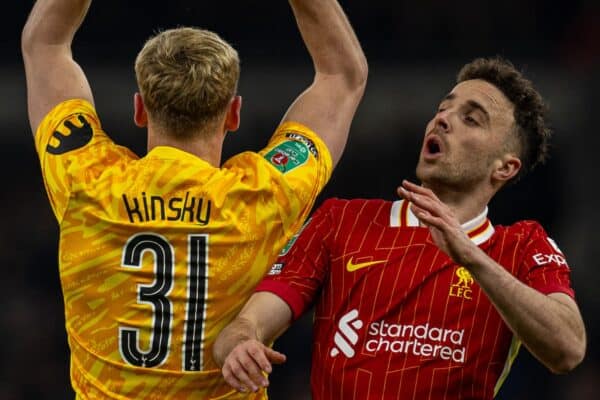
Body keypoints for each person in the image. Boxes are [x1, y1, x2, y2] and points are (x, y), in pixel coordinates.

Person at [21, 0, 367, 398]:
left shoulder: (87, 182)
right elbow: (342, 75)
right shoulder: (265, 194)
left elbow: (44, 44)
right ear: (234, 114)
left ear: (140, 109)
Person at [213, 57, 587, 399]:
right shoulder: (342, 220)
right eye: (443, 109)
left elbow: (568, 348)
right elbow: (246, 323)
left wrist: (470, 256)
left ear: (505, 167)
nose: (442, 119)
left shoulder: (519, 246)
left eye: (470, 119)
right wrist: (241, 343)